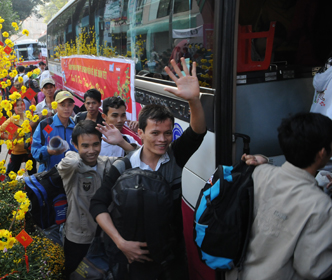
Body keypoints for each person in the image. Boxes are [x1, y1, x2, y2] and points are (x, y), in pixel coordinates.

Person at [90, 58, 206, 279]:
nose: (163, 140)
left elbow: (197, 132)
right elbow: (97, 205)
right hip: (131, 263)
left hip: (170, 260)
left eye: (168, 133)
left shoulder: (175, 157)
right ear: (140, 133)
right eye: (155, 133)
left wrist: (194, 101)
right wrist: (121, 243)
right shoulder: (122, 167)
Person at [226, 112, 332, 280]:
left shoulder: (260, 172)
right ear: (322, 153)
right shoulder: (321, 205)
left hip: (238, 274)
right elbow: (312, 268)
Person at [57, 120, 127, 277]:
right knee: (73, 274)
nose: (91, 150)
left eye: (96, 144)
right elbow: (72, 162)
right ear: (75, 145)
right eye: (85, 146)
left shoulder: (106, 164)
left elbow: (135, 158)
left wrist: (121, 141)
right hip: (78, 238)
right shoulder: (72, 169)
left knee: (97, 273)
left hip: (103, 237)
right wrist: (71, 152)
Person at [31, 90, 77, 173]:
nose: (66, 108)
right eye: (62, 105)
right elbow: (35, 152)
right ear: (55, 106)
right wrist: (48, 151)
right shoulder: (45, 125)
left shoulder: (76, 126)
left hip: (72, 175)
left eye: (69, 105)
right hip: (49, 176)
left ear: (73, 106)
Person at [0, 98, 37, 174]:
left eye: (21, 104)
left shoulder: (28, 116)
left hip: (29, 150)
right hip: (17, 151)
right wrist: (10, 138)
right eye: (16, 105)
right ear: (13, 108)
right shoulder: (12, 120)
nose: (19, 107)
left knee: (33, 174)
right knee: (11, 174)